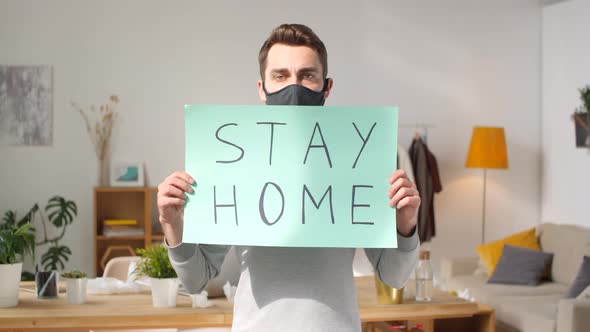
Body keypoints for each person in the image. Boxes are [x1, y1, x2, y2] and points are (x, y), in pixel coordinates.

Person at [158, 23, 420, 332]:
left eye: (307, 75)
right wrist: (171, 224)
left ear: (327, 86)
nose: (293, 87)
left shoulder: (359, 158)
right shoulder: (235, 161)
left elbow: (394, 276)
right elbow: (196, 278)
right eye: (280, 76)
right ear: (262, 88)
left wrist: (406, 225)